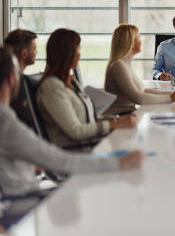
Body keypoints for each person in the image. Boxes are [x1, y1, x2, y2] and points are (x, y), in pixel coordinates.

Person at [0, 46, 142, 229]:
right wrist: (120, 163)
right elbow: (61, 162)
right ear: (12, 79)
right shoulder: (6, 122)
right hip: (25, 201)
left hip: (17, 197)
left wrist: (29, 160)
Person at [37, 29, 137, 149]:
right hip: (77, 153)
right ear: (66, 52)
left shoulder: (71, 82)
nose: (80, 54)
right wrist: (113, 124)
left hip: (90, 145)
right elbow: (76, 131)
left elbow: (88, 119)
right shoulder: (52, 86)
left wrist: (117, 119)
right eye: (77, 48)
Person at [105, 24, 175, 114]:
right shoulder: (118, 66)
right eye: (138, 37)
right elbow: (138, 98)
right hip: (120, 117)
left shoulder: (125, 64)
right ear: (130, 42)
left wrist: (173, 94)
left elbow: (144, 90)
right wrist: (170, 98)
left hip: (127, 114)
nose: (141, 40)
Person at [4, 29, 38, 130]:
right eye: (34, 48)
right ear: (24, 54)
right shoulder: (18, 84)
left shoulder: (8, 79)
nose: (36, 52)